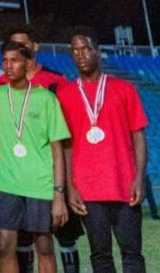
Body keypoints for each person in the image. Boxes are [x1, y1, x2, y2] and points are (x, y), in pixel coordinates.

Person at [58, 26, 147, 272]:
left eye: (85, 48)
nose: (80, 54)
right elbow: (65, 145)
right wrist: (70, 187)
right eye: (74, 50)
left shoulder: (125, 89)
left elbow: (138, 136)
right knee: (100, 256)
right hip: (87, 189)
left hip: (125, 185)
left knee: (132, 254)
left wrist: (139, 178)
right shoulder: (64, 95)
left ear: (97, 52)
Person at [0, 26, 83, 273]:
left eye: (22, 45)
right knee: (23, 239)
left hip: (50, 173)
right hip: (17, 178)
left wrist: (65, 186)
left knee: (62, 235)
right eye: (12, 45)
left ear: (35, 47)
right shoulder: (1, 83)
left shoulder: (56, 81)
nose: (17, 50)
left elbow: (63, 135)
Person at [0, 40, 70, 273]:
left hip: (39, 184)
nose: (8, 66)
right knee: (4, 246)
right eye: (5, 60)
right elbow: (0, 143)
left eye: (15, 60)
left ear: (27, 62)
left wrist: (59, 194)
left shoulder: (46, 99)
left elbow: (57, 148)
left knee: (44, 247)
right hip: (7, 184)